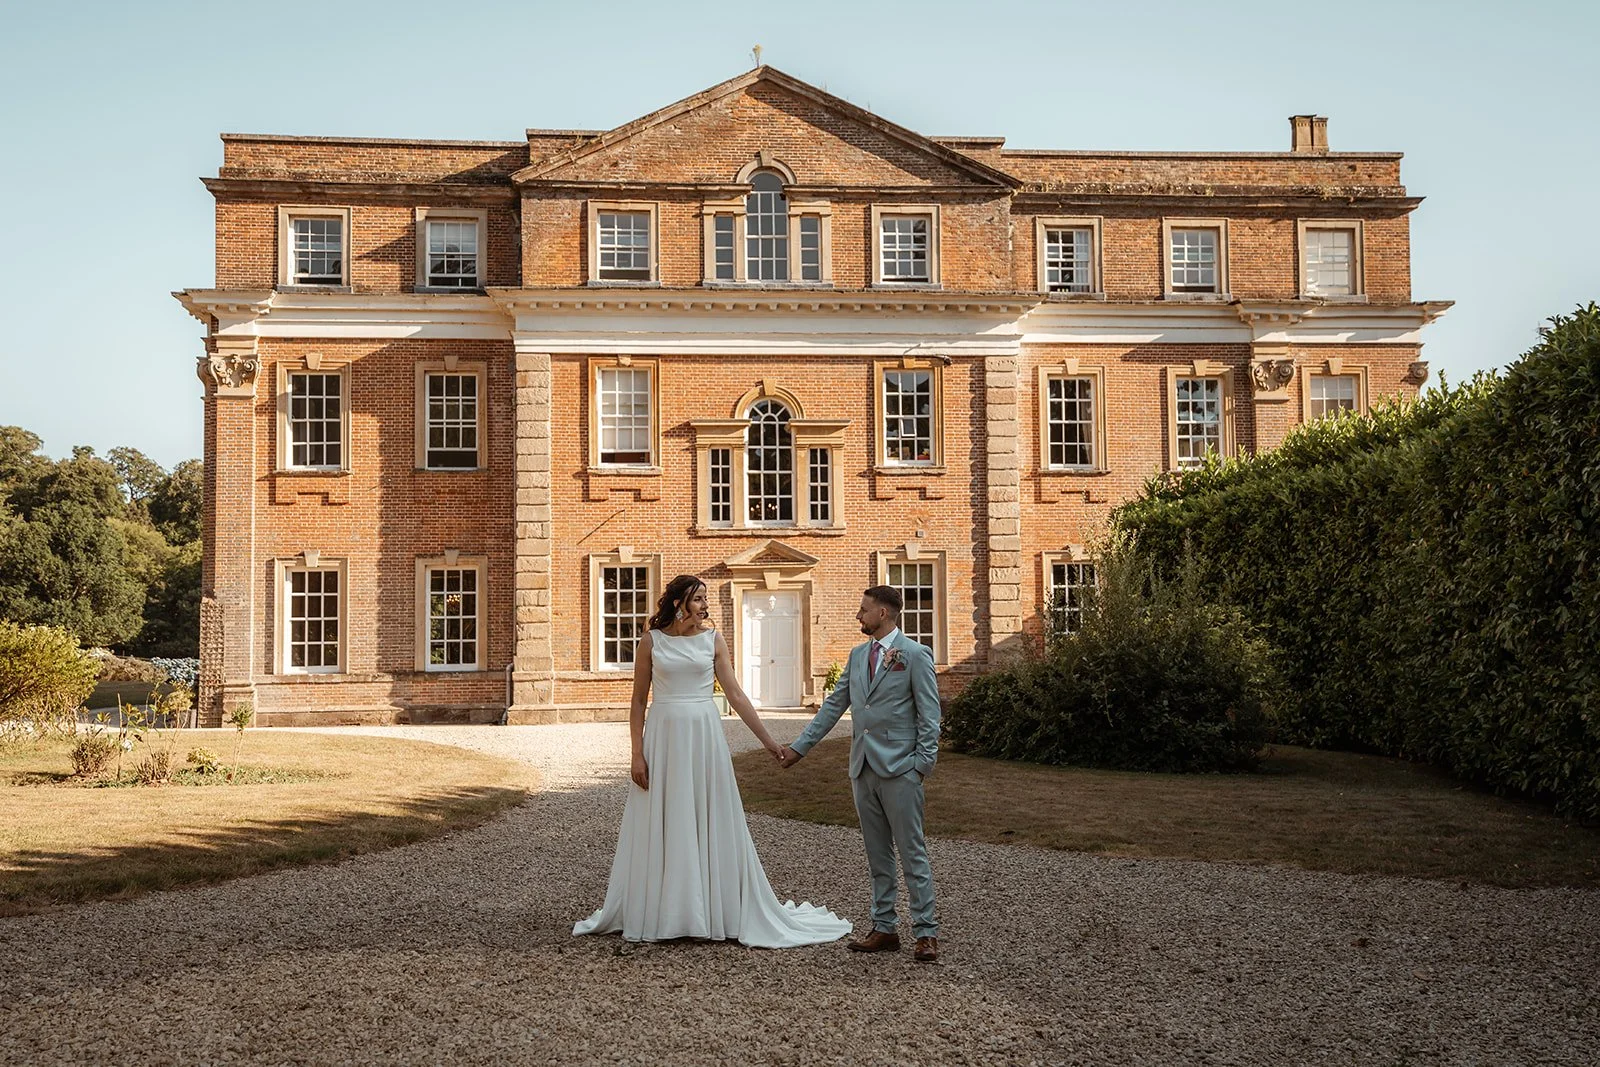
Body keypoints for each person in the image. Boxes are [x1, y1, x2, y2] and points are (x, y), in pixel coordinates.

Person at [574, 574, 853, 948]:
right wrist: (636, 753)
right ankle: (666, 911)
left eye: (706, 599)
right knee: (667, 816)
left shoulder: (713, 640)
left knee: (709, 814)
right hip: (664, 736)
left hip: (704, 737)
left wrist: (770, 742)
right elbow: (639, 700)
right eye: (699, 599)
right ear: (679, 603)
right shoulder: (651, 641)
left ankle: (714, 910)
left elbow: (735, 694)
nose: (706, 606)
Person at [778, 585, 942, 963]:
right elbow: (833, 708)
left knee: (912, 852)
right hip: (862, 768)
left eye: (864, 609)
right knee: (877, 856)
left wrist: (921, 767)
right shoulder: (856, 657)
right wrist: (799, 749)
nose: (858, 615)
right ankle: (884, 927)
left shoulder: (915, 655)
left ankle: (926, 932)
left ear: (883, 613)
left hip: (902, 769)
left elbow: (930, 717)